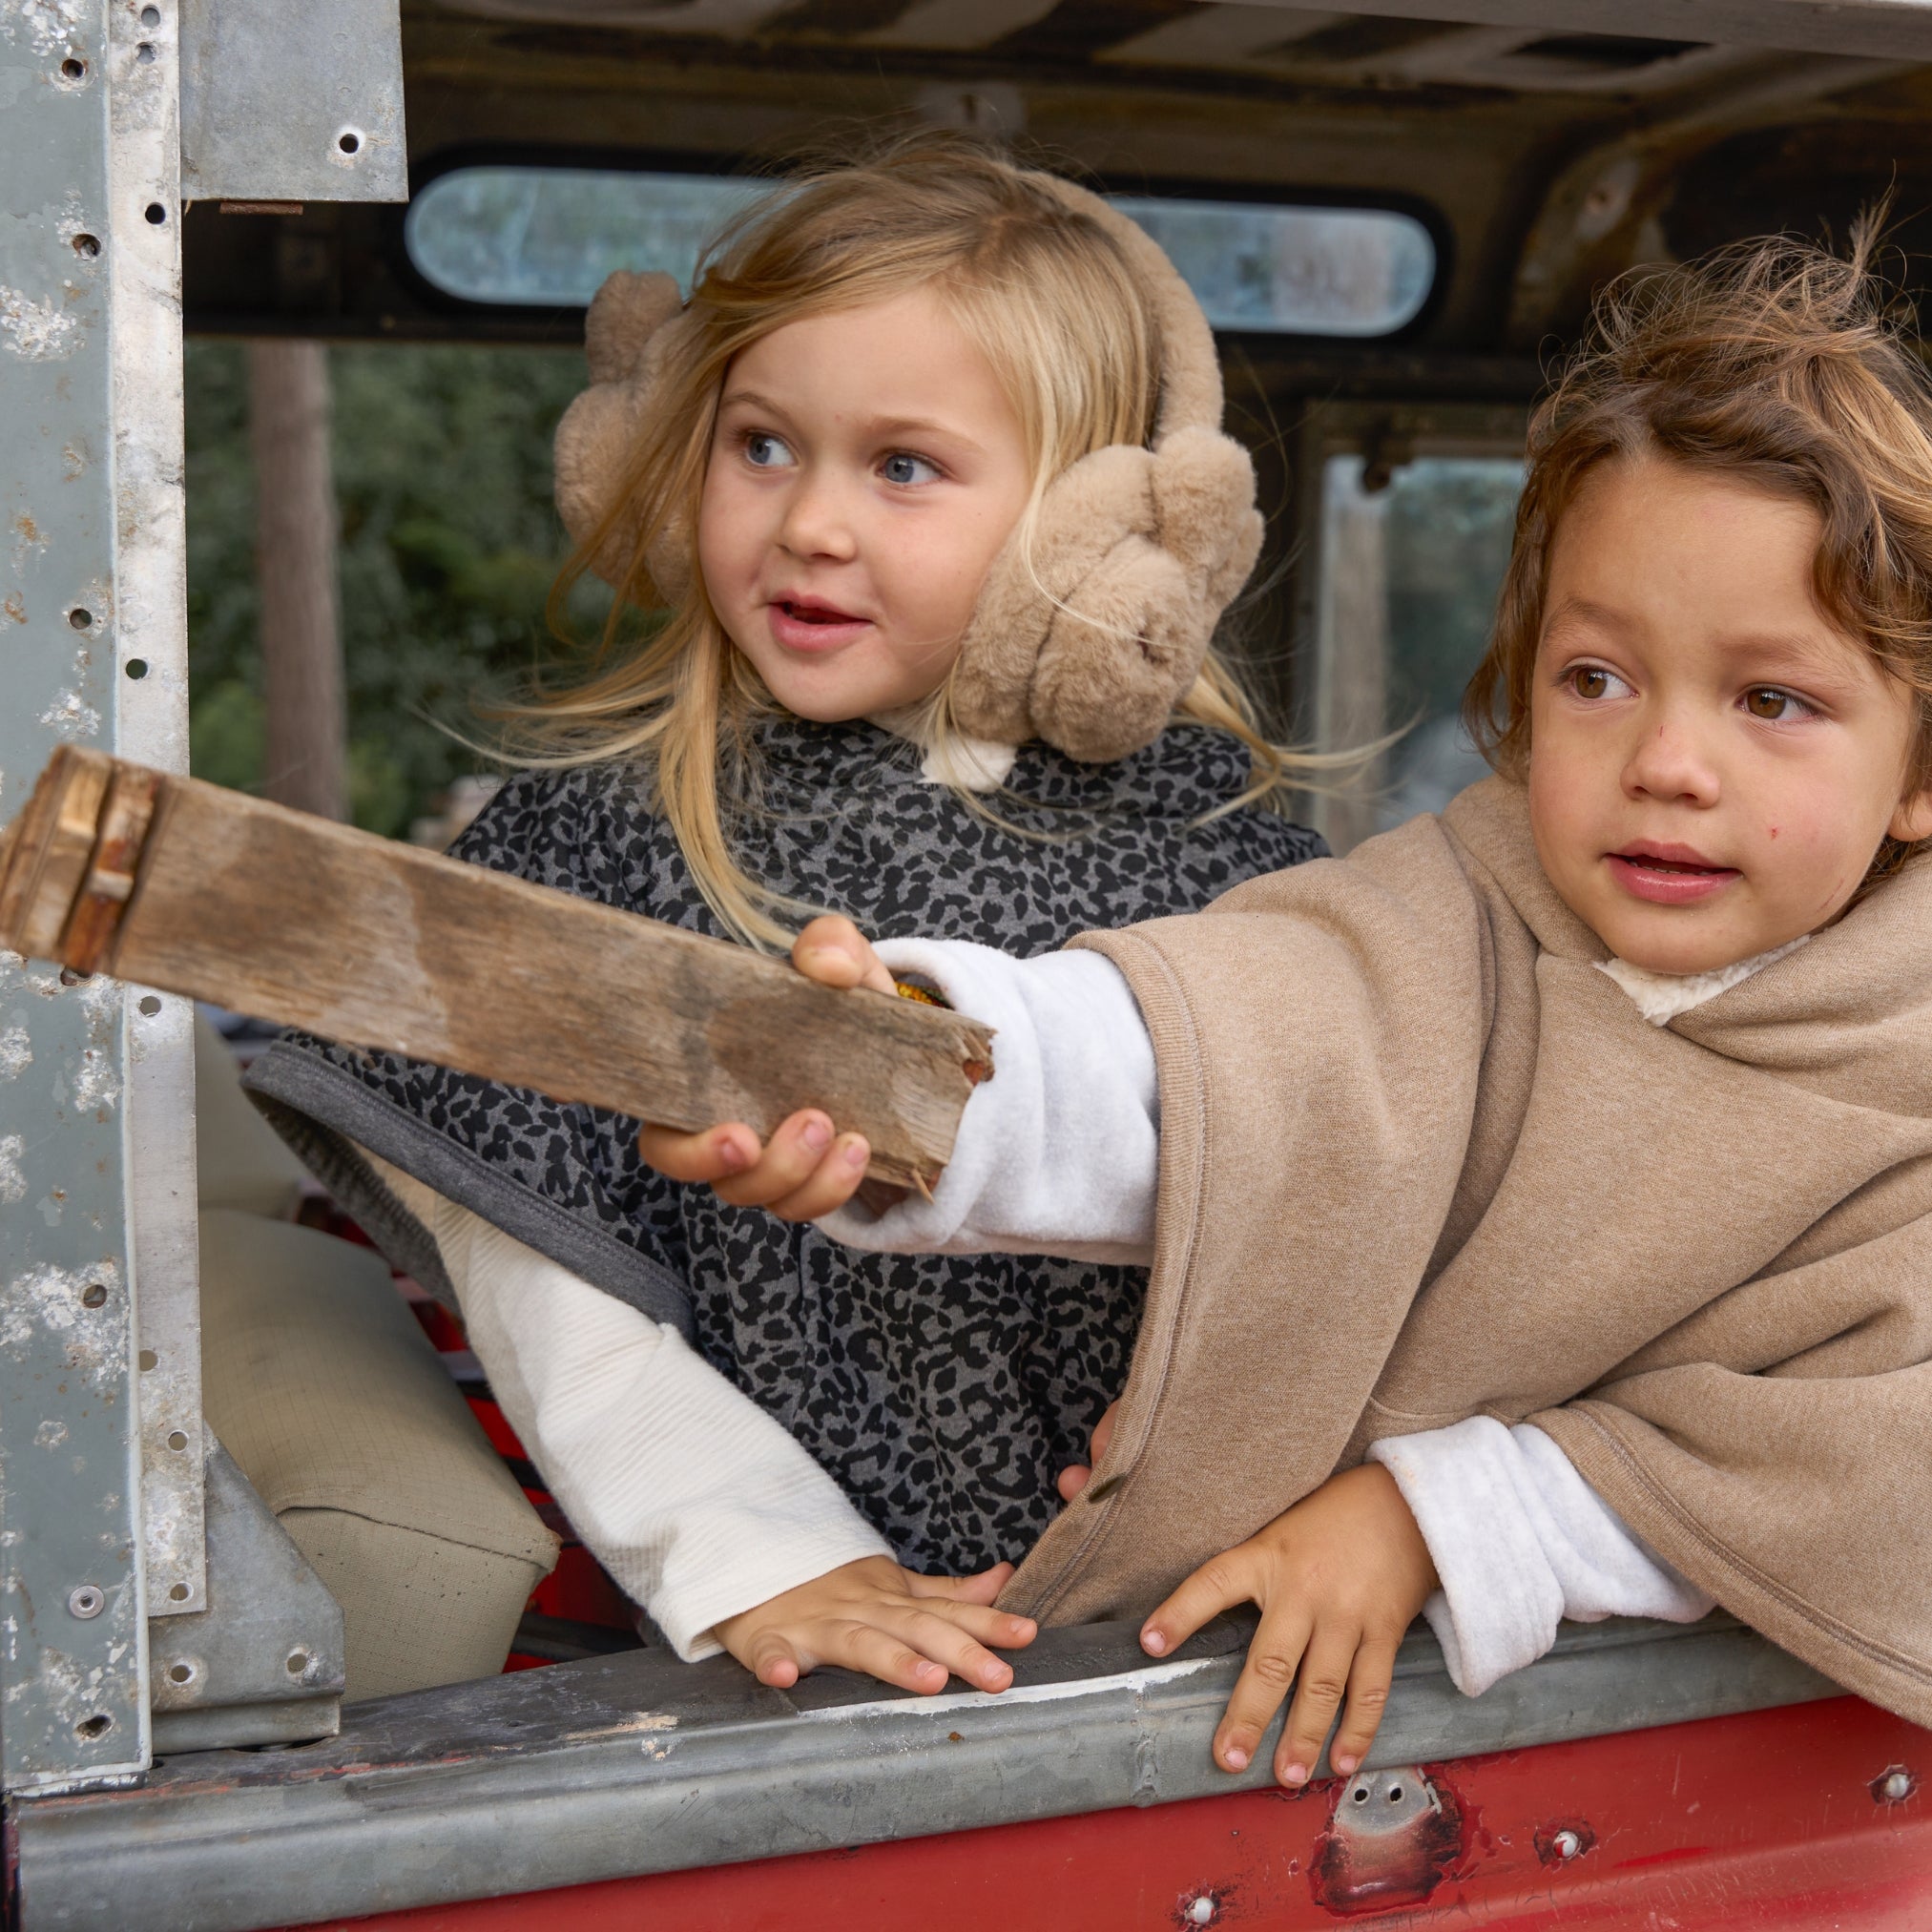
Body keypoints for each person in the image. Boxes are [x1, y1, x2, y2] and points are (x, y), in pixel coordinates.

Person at [644, 226, 1932, 1785]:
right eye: (1597, 677)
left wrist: (1438, 1515)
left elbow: (1857, 1466)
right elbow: (1212, 1057)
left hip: (1642, 1773)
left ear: (1918, 772)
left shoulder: (1904, 1069)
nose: (1666, 758)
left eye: (1770, 700)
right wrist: (907, 1068)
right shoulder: (1450, 911)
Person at [245, 135, 1329, 1699]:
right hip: (792, 1656)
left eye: (902, 466)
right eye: (762, 446)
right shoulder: (605, 835)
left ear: (1095, 535)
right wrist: (758, 1550)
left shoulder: (1242, 861)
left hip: (1183, 1628)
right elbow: (534, 1261)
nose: (811, 521)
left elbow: (1357, 1202)